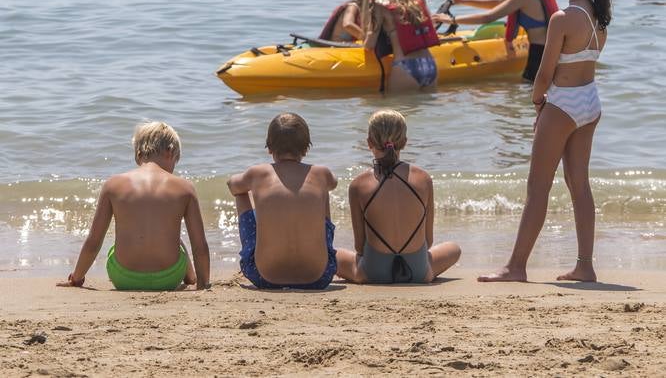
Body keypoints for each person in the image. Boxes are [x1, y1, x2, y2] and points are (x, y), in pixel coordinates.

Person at [479, 0, 612, 283]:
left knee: (538, 187)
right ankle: (585, 265)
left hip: (563, 103)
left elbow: (544, 73)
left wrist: (539, 103)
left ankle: (516, 266)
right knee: (579, 185)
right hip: (590, 102)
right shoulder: (599, 16)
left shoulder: (563, 18)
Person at [57, 122, 210, 291]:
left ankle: (188, 277)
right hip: (169, 278)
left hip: (123, 277)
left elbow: (94, 242)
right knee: (178, 242)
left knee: (116, 246)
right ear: (170, 152)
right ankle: (192, 278)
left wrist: (77, 278)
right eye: (175, 161)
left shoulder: (112, 185)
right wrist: (203, 285)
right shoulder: (185, 188)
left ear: (138, 154)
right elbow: (200, 246)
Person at [335, 110, 461, 284]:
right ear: (405, 142)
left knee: (331, 254)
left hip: (373, 273)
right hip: (419, 272)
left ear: (369, 142)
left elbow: (359, 247)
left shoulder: (358, 184)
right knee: (454, 248)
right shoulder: (423, 178)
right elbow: (428, 241)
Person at [227, 113, 338, 290]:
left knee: (241, 193)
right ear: (306, 149)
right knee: (322, 191)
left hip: (263, 276)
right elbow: (333, 183)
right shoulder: (321, 174)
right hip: (320, 276)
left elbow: (232, 185)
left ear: (269, 148)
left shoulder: (258, 173)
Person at [434, 0, 559, 84]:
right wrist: (462, 1)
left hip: (538, 55)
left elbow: (487, 17)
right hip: (549, 53)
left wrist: (450, 20)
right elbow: (497, 3)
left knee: (530, 91)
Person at [362, 0, 440, 92]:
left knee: (396, 105)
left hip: (405, 66)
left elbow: (370, 44)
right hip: (430, 64)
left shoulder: (379, 3)